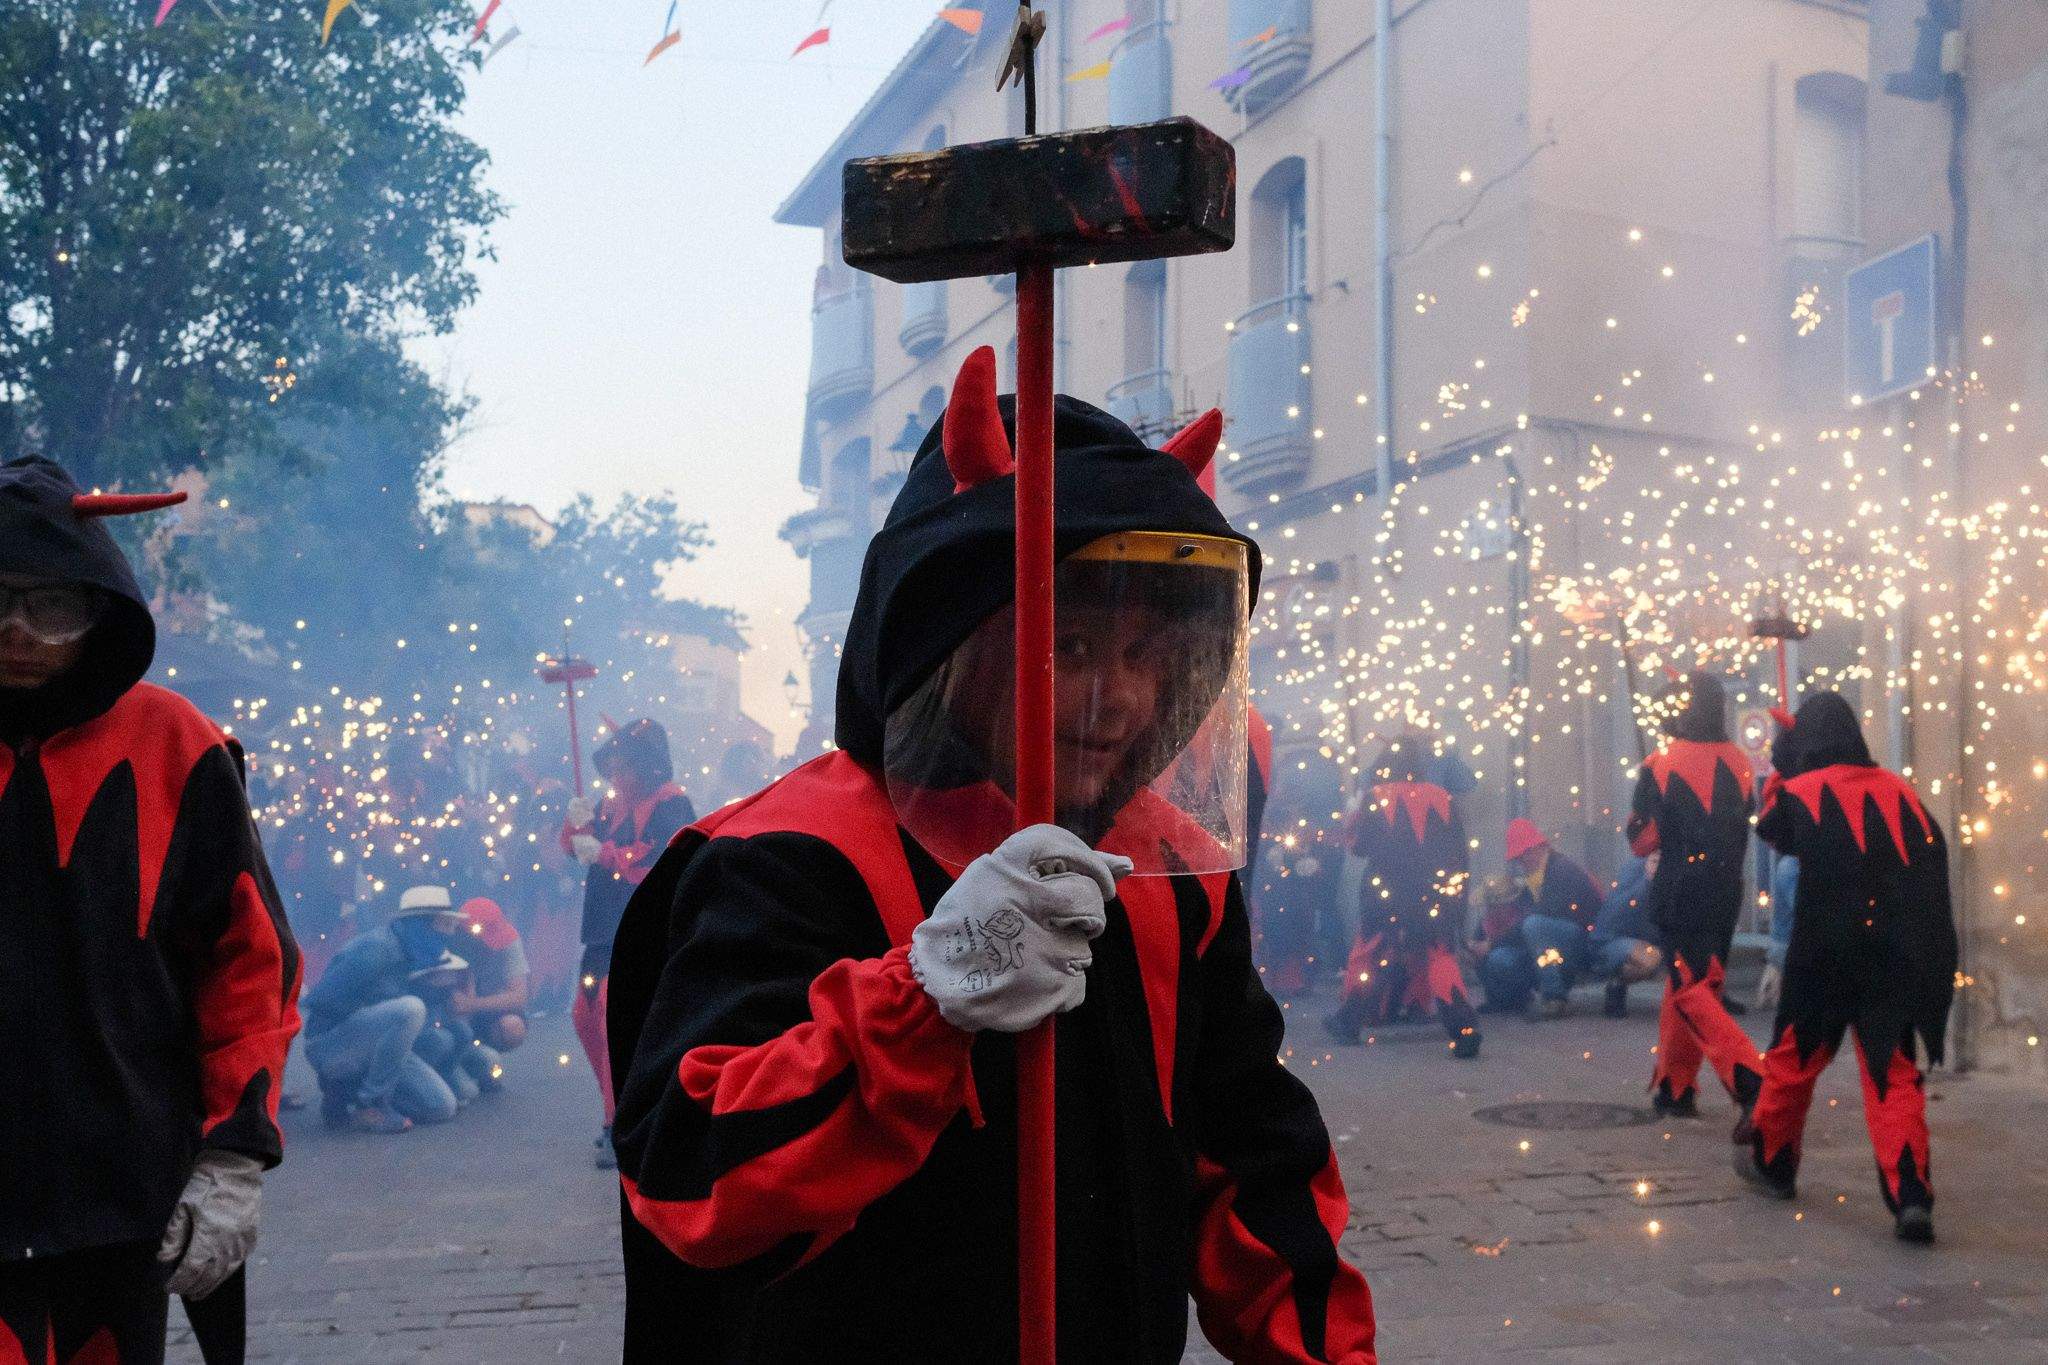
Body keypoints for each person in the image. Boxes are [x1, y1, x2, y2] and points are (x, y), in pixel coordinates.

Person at [605, 352, 1375, 1361]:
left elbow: (1250, 1154)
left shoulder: (1172, 873)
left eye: (1148, 656)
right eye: (1069, 649)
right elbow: (688, 1175)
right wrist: (921, 997)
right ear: (947, 644)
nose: (1118, 700)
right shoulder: (786, 853)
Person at [0, 459, 300, 1362]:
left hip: (124, 1192)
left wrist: (232, 1152)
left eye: (52, 605)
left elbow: (247, 962)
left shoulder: (175, 740)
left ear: (100, 607)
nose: (18, 631)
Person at [1734, 694, 1956, 1244]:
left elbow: (1771, 831)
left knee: (1794, 1058)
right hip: (1891, 953)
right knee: (1893, 1071)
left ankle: (1774, 1161)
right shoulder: (1902, 791)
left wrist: (1781, 767)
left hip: (1825, 951)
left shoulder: (1801, 791)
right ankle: (1910, 1193)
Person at [1626, 671, 1762, 1117]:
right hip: (1725, 890)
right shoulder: (1741, 760)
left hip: (1679, 890)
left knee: (1690, 988)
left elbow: (1640, 842)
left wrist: (1648, 815)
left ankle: (1748, 1075)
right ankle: (1676, 1087)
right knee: (1696, 983)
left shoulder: (1659, 763)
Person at [560, 718, 695, 1168]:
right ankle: (618, 1112)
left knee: (611, 1023)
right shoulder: (608, 806)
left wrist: (606, 855)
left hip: (640, 929)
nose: (615, 772)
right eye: (612, 763)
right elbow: (574, 848)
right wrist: (575, 825)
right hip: (600, 932)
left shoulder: (673, 803)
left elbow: (661, 861)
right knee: (585, 1019)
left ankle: (618, 1123)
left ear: (646, 765)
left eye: (624, 763)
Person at [1325, 737, 1481, 1058]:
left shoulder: (1375, 797)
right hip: (1435, 892)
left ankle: (1349, 1020)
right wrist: (1456, 900)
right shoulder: (1443, 798)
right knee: (1440, 955)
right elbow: (1458, 853)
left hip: (1387, 892)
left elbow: (1359, 848)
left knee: (1374, 954)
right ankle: (1464, 1026)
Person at [300, 887, 468, 1132]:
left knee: (441, 1106)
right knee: (411, 1009)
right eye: (443, 925)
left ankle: (350, 1094)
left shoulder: (411, 951)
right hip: (329, 1044)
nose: (448, 934)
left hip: (370, 1041)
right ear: (420, 923)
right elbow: (321, 1001)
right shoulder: (376, 949)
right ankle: (370, 1103)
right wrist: (370, 1009)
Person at [1500, 818, 1604, 1018]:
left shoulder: (1561, 869)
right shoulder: (1533, 879)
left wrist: (1493, 942)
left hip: (1583, 940)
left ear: (1538, 848)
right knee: (1501, 958)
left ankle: (1555, 997)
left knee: (1534, 925)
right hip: (1551, 945)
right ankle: (1517, 999)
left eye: (1524, 855)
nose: (1522, 863)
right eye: (1518, 859)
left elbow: (1540, 917)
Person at [1590, 853, 1664, 1018]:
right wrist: (1647, 881)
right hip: (1612, 939)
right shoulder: (1636, 867)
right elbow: (1617, 910)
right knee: (1652, 958)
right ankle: (1617, 982)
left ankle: (1618, 980)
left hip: (1649, 940)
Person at [1469, 873, 1535, 1011]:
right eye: (1490, 906)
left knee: (1499, 958)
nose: (1492, 910)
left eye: (1497, 905)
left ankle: (1521, 998)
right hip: (1497, 960)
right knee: (1483, 960)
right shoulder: (1486, 921)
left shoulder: (1523, 916)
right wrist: (1471, 950)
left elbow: (1517, 937)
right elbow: (1477, 941)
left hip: (1524, 961)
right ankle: (1495, 999)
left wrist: (1490, 945)